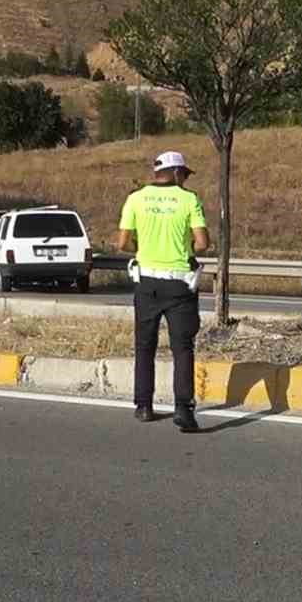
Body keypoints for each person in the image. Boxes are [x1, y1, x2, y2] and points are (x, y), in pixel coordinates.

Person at [117, 151, 210, 432]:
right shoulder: (189, 199)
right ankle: (183, 408)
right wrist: (184, 250)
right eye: (184, 174)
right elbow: (203, 243)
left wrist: (143, 250)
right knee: (182, 348)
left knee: (144, 345)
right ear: (178, 173)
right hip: (179, 283)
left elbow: (122, 242)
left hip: (147, 282)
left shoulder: (135, 198)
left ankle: (144, 406)